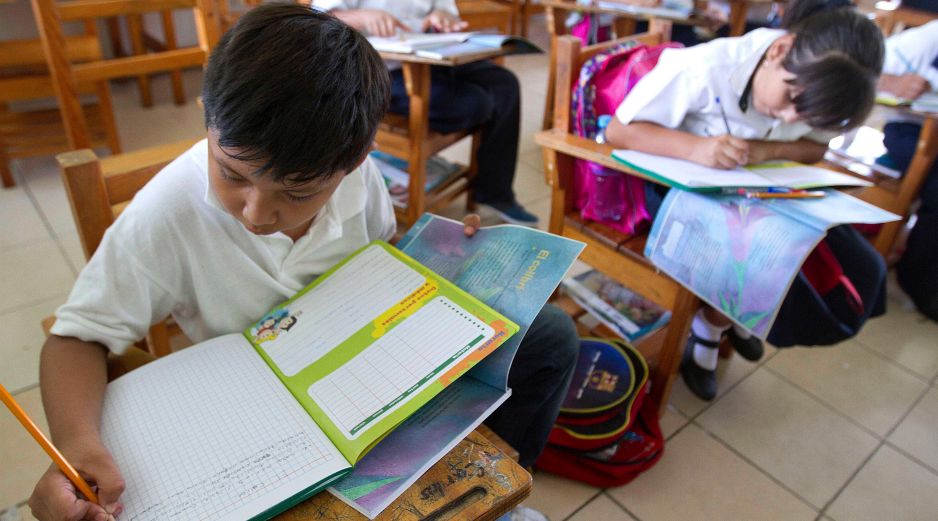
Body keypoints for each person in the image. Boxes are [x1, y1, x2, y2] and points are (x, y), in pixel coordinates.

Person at [28, 6, 577, 520]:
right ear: (207, 118)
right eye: (232, 174)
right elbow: (75, 338)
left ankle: (504, 490)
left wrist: (453, 255)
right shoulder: (165, 214)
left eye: (297, 193)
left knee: (549, 337)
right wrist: (76, 445)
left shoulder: (358, 177)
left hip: (363, 369)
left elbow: (385, 256)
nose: (256, 213)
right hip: (252, 415)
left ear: (356, 161)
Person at [604, 0, 886, 400]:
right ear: (779, 50)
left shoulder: (824, 84)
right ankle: (712, 327)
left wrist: (766, 150)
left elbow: (814, 148)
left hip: (757, 189)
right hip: (678, 187)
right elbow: (618, 131)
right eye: (790, 97)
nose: (789, 118)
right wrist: (695, 148)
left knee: (862, 269)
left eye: (805, 114)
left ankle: (726, 318)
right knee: (765, 258)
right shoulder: (704, 68)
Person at [311, 0, 540, 226]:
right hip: (378, 71)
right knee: (475, 103)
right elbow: (321, 18)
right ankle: (403, 161)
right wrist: (361, 17)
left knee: (505, 85)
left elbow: (446, 10)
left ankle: (495, 193)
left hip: (432, 56)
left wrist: (442, 17)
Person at [877, 20, 938, 321]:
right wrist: (891, 82)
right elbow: (862, 66)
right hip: (911, 129)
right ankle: (919, 283)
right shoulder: (926, 39)